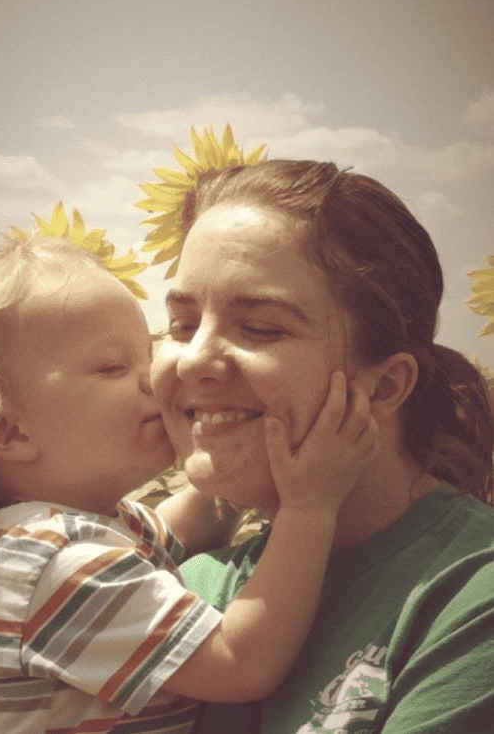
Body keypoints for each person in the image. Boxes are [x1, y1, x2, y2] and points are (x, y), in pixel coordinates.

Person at [0, 232, 378, 734]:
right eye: (113, 366)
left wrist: (229, 447)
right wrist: (309, 507)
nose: (153, 378)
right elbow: (239, 662)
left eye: (148, 355)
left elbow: (193, 519)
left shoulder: (87, 528)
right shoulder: (55, 565)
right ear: (8, 430)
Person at [150, 159, 494, 733]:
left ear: (384, 385)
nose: (193, 359)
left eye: (260, 327)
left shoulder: (467, 597)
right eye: (181, 324)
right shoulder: (182, 587)